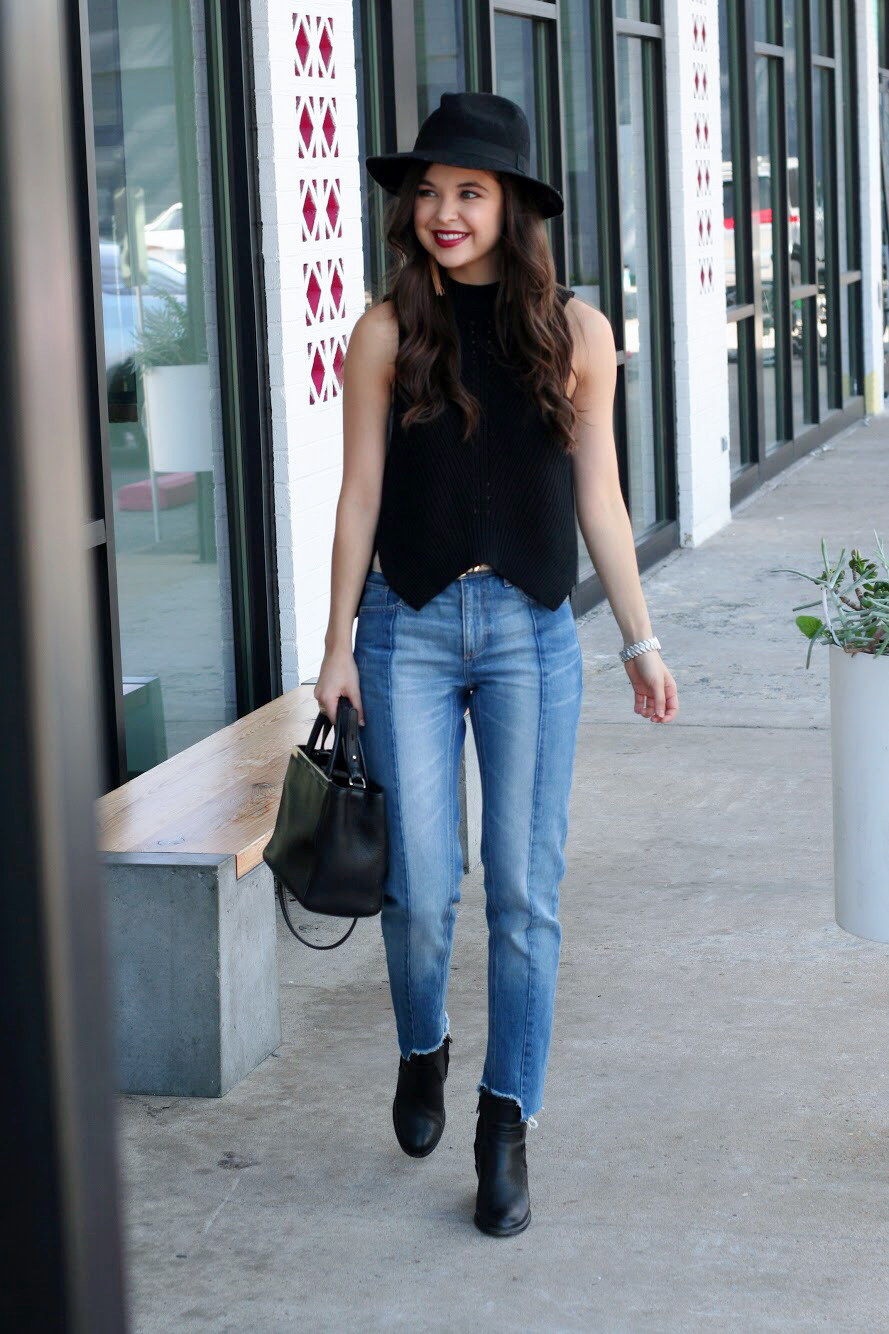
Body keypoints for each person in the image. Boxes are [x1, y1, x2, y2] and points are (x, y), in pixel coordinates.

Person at [314, 92, 678, 1238]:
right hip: (407, 630)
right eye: (428, 191)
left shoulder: (576, 333)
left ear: (512, 206)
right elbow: (359, 496)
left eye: (468, 192)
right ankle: (422, 1045)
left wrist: (638, 638)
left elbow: (600, 497)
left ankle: (505, 1121)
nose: (444, 211)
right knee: (422, 890)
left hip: (530, 635)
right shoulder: (384, 330)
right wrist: (335, 646)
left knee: (525, 894)